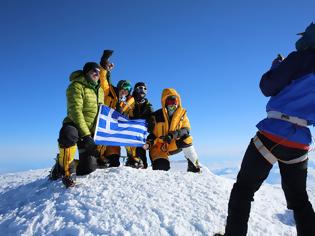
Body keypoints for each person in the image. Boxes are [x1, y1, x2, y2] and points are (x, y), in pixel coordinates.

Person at [217, 23, 315, 236]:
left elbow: (267, 87)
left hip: (272, 133)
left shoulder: (299, 58)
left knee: (243, 190)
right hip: (300, 141)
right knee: (299, 200)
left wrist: (276, 66)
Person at [49, 62, 104, 188]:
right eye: (93, 71)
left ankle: (63, 163)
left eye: (98, 71)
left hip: (89, 131)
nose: (97, 73)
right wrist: (86, 135)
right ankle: (66, 170)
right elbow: (75, 111)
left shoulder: (100, 90)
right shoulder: (76, 86)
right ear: (86, 73)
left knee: (89, 168)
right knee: (68, 134)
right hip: (75, 125)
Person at [143, 88, 200, 172]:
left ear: (178, 102)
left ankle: (194, 166)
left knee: (187, 138)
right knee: (161, 168)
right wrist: (149, 142)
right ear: (164, 102)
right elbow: (153, 134)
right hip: (159, 147)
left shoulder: (182, 114)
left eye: (175, 101)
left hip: (172, 144)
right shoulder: (156, 116)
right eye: (169, 101)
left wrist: (173, 135)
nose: (172, 104)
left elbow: (186, 129)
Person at [98, 50, 135, 167]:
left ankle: (132, 158)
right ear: (119, 87)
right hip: (101, 132)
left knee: (114, 162)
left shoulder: (126, 105)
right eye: (124, 87)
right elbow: (103, 79)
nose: (126, 90)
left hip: (113, 139)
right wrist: (104, 64)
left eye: (128, 88)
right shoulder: (108, 92)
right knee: (92, 163)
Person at [125, 82, 154, 169]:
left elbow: (152, 120)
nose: (143, 90)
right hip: (130, 135)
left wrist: (151, 124)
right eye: (140, 88)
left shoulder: (148, 106)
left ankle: (142, 163)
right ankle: (132, 159)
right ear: (136, 89)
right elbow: (123, 113)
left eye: (145, 89)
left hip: (141, 136)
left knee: (142, 159)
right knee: (133, 155)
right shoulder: (130, 102)